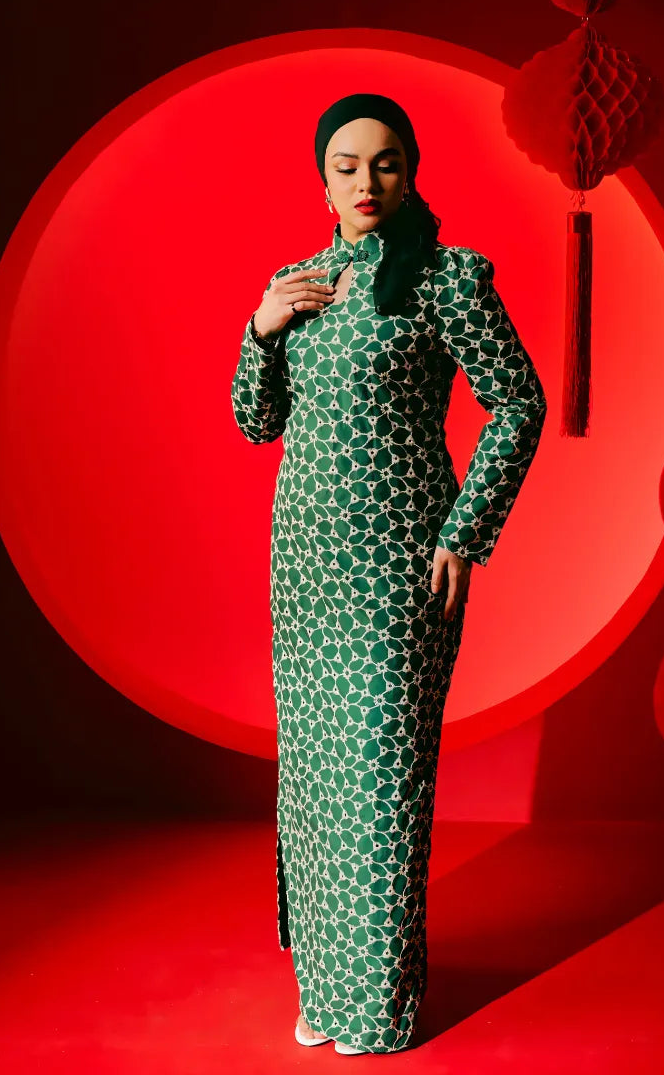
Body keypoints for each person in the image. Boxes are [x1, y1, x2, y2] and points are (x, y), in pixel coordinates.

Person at [230, 92, 547, 1055]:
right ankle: (324, 995)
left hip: (399, 568)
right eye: (346, 165)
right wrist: (260, 327)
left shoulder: (449, 279)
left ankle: (378, 1008)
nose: (367, 183)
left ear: (412, 171)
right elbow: (256, 423)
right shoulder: (300, 281)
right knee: (318, 784)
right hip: (306, 574)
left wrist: (466, 531)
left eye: (386, 164)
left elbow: (520, 403)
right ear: (321, 178)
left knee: (380, 777)